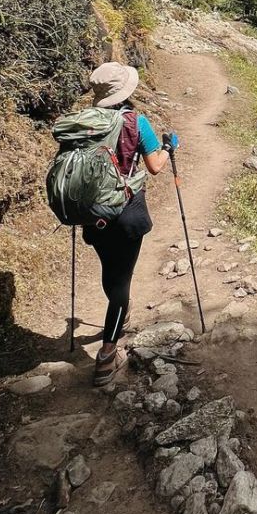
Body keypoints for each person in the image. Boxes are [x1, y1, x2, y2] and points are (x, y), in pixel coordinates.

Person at [83, 62, 175, 386]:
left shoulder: (84, 123)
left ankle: (118, 311)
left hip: (94, 214)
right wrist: (168, 147)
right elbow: (154, 167)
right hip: (127, 214)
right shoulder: (137, 122)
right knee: (122, 283)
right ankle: (107, 355)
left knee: (112, 275)